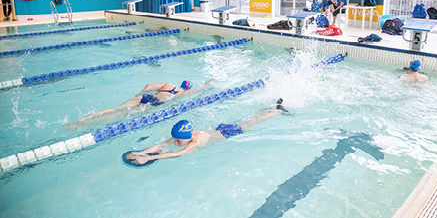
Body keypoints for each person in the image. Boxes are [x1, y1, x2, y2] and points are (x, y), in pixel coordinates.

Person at [125, 99, 288, 165]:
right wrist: (140, 152)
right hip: (219, 129)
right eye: (174, 140)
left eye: (178, 141)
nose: (174, 143)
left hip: (228, 132)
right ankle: (267, 108)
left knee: (253, 122)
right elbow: (161, 144)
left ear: (187, 139)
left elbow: (176, 154)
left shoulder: (194, 141)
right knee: (249, 119)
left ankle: (277, 111)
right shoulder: (185, 135)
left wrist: (149, 158)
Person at [67, 79, 215, 126]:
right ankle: (90, 125)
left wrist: (139, 95)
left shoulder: (168, 84)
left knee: (115, 108)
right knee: (120, 115)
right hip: (152, 104)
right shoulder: (184, 93)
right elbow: (201, 90)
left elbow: (148, 87)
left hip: (144, 98)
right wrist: (210, 82)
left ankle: (84, 119)